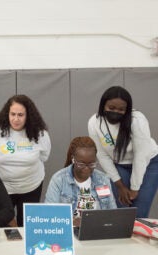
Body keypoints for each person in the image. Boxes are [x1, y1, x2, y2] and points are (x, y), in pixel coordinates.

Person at [88, 86, 158, 218]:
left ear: (127, 109)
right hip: (120, 165)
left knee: (139, 211)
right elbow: (102, 155)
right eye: (111, 108)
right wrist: (120, 186)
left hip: (149, 163)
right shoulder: (94, 122)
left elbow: (140, 157)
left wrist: (135, 188)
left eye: (121, 109)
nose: (116, 112)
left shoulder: (137, 120)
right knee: (121, 209)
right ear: (103, 105)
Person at [0, 94, 51, 226]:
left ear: (28, 116)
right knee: (3, 224)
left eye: (20, 115)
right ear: (7, 114)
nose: (16, 119)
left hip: (31, 185)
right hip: (2, 187)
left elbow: (44, 156)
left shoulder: (40, 133)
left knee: (27, 224)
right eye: (12, 114)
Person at [44, 136, 117, 226]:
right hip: (68, 230)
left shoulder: (102, 180)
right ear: (73, 159)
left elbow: (112, 213)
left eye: (91, 164)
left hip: (97, 230)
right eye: (81, 164)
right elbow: (49, 214)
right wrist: (71, 222)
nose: (87, 168)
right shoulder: (59, 179)